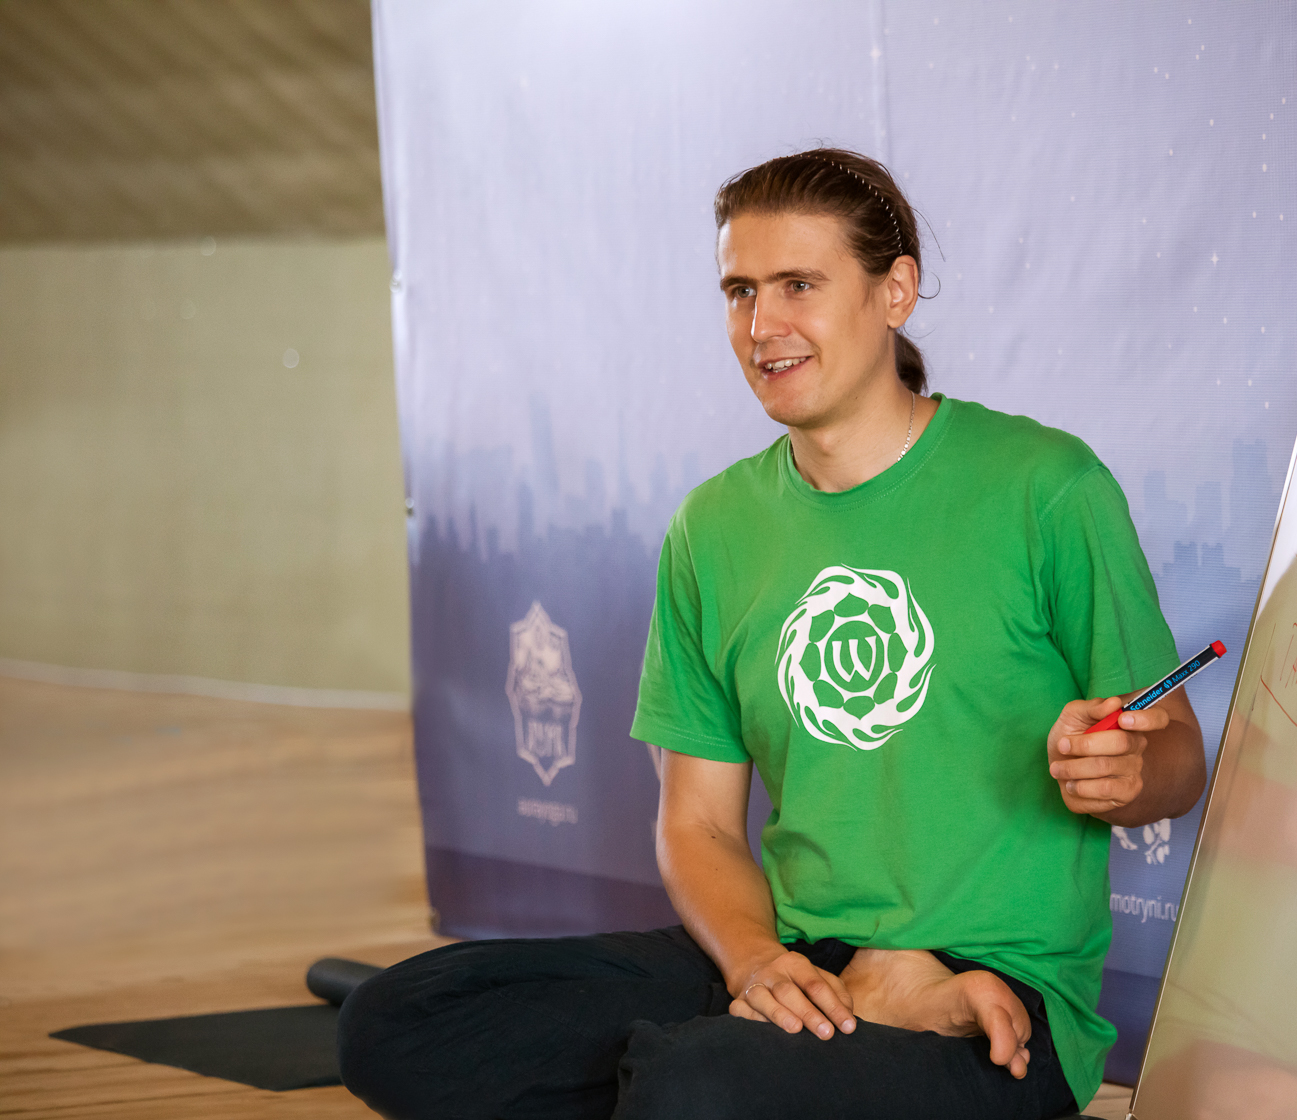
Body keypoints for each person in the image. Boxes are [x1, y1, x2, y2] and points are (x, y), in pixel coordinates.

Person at [338, 148, 1207, 1120]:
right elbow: (700, 824)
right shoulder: (713, 528)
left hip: (990, 996)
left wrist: (1131, 772)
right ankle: (742, 1057)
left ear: (895, 291)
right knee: (398, 1022)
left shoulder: (1048, 486)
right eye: (740, 290)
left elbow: (1177, 756)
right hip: (797, 956)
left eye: (799, 284)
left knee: (697, 1086)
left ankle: (725, 1068)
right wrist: (757, 963)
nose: (762, 326)